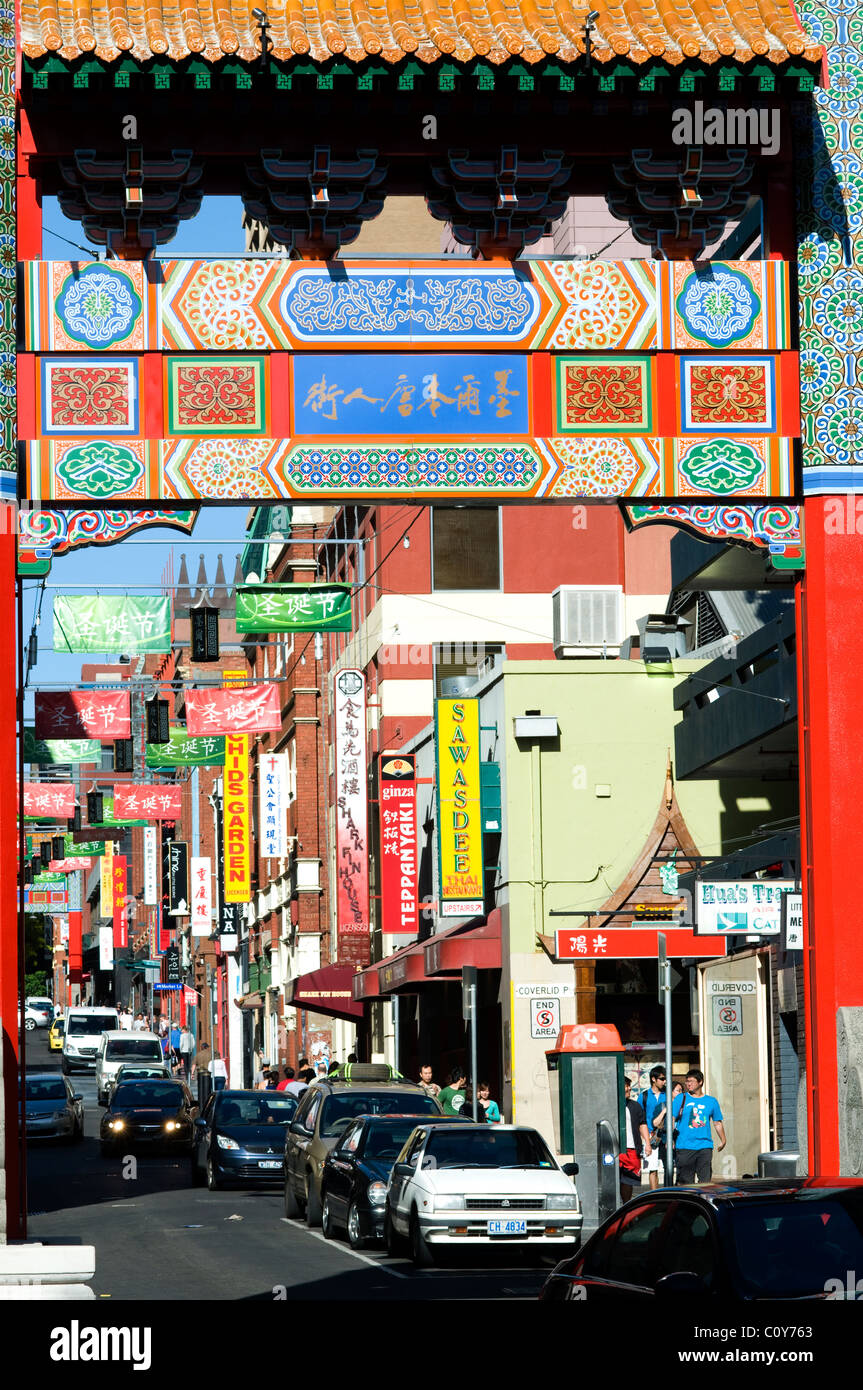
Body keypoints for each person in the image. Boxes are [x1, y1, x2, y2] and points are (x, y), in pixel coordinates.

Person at [672, 1069, 726, 1184]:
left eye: (691, 1081)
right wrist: (670, 1139)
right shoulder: (681, 1098)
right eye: (687, 1081)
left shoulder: (711, 1101)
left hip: (704, 1147)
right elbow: (671, 1119)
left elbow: (717, 1122)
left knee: (705, 1182)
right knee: (686, 1183)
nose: (688, 1084)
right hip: (685, 1146)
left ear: (700, 1082)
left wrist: (723, 1140)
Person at [619, 1077, 651, 1205]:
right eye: (626, 1086)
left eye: (629, 1086)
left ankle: (626, 1206)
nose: (629, 1088)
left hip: (632, 1149)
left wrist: (647, 1144)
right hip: (615, 1150)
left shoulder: (635, 1106)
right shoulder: (610, 1104)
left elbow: (642, 1124)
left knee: (628, 1181)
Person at [641, 1066, 667, 1189]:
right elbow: (640, 1118)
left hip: (666, 1135)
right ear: (653, 1079)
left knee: (669, 1167)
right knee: (653, 1169)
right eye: (661, 1079)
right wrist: (644, 1137)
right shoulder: (644, 1096)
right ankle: (654, 1195)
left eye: (665, 1079)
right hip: (651, 1136)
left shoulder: (667, 1094)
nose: (664, 1081)